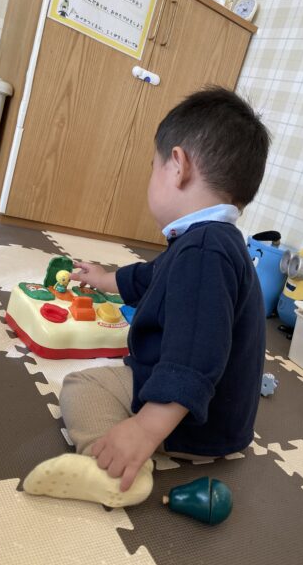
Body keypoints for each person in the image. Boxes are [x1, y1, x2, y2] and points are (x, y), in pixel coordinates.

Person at [24, 86, 271, 506]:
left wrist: (146, 427)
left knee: (84, 385)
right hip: (222, 415)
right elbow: (154, 278)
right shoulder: (211, 240)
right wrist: (107, 279)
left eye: (153, 167)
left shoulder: (204, 250)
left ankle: (113, 471)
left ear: (178, 166)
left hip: (195, 420)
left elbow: (195, 353)